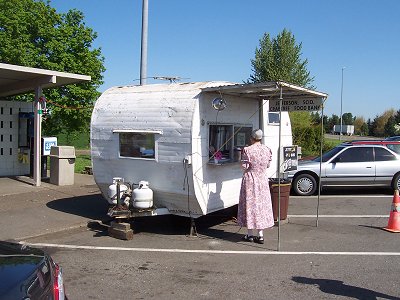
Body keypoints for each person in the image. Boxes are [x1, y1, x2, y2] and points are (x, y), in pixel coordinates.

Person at [237, 129, 274, 244]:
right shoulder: (267, 149)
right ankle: (261, 235)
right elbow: (267, 165)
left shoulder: (248, 150)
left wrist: (240, 158)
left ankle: (250, 234)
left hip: (250, 179)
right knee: (261, 206)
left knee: (250, 205)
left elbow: (244, 166)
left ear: (252, 138)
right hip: (262, 180)